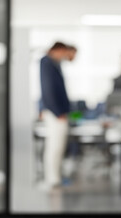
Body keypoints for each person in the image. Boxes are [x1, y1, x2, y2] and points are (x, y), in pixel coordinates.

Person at [40, 42, 76, 187]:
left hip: (59, 113)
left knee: (58, 147)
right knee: (54, 147)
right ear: (59, 50)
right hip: (56, 114)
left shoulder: (54, 63)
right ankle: (52, 179)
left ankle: (56, 178)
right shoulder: (46, 63)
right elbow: (47, 89)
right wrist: (57, 112)